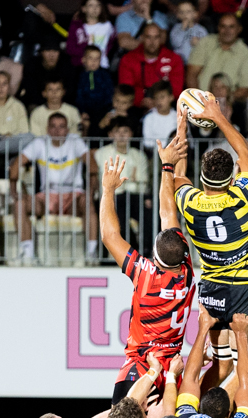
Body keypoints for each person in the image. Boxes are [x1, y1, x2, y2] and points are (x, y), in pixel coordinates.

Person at [100, 128, 195, 402]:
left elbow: (109, 236)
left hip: (141, 366)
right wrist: (170, 164)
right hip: (172, 371)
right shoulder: (187, 271)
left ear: (155, 257)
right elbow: (169, 211)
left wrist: (107, 190)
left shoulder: (146, 275)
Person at [174, 99, 248, 372]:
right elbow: (245, 153)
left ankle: (198, 413)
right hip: (242, 291)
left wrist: (181, 127)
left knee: (219, 368)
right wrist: (219, 116)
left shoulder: (189, 203)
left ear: (202, 181)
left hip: (211, 289)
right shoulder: (242, 197)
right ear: (232, 178)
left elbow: (178, 174)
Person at [11, 112, 98, 261]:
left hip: (73, 196)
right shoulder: (39, 143)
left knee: (88, 203)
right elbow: (16, 165)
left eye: (61, 127)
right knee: (20, 204)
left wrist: (90, 193)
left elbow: (93, 167)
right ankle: (27, 253)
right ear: (47, 129)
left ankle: (91, 253)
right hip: (47, 197)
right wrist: (14, 191)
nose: (57, 130)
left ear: (67, 130)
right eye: (53, 127)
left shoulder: (76, 142)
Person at [96, 119, 152, 250]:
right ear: (110, 134)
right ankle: (130, 250)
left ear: (131, 134)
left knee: (150, 212)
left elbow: (142, 183)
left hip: (135, 196)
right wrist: (129, 181)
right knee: (119, 210)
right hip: (112, 196)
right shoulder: (101, 153)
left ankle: (147, 250)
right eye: (117, 132)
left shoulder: (139, 155)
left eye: (125, 131)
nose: (121, 135)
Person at [187, 13, 248, 114]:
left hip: (231, 101)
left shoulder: (246, 54)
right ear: (218, 28)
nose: (227, 31)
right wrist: (200, 99)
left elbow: (245, 88)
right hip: (201, 99)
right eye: (223, 26)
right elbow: (191, 75)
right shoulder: (205, 43)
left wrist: (226, 100)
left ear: (239, 29)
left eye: (231, 27)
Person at [118, 23, 184, 108]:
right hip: (136, 108)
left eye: (156, 37)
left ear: (161, 39)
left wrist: (158, 101)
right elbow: (126, 89)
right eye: (148, 37)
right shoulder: (128, 59)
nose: (152, 42)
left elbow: (176, 90)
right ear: (141, 38)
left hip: (166, 107)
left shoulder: (174, 59)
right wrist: (141, 101)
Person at [19, 35, 74, 110]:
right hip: (38, 105)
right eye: (48, 50)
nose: (52, 55)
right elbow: (30, 91)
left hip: (62, 104)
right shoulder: (31, 65)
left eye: (55, 51)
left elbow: (70, 91)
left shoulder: (67, 65)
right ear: (41, 52)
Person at [65, 0, 113, 68]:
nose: (95, 8)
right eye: (91, 5)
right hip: (82, 67)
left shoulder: (108, 26)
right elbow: (69, 48)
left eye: (98, 5)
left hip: (102, 66)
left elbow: (111, 42)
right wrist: (85, 55)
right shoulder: (76, 27)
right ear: (84, 9)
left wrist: (104, 53)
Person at [74, 45, 113, 122]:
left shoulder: (105, 75)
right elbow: (78, 95)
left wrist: (108, 109)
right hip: (85, 111)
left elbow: (109, 93)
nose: (93, 61)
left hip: (102, 110)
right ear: (83, 59)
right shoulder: (79, 75)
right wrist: (82, 110)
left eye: (97, 59)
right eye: (90, 58)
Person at [140, 80, 177, 150]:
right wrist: (166, 145)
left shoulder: (179, 117)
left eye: (162, 97)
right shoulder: (148, 118)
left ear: (171, 97)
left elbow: (188, 140)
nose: (159, 101)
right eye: (156, 98)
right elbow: (147, 142)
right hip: (154, 156)